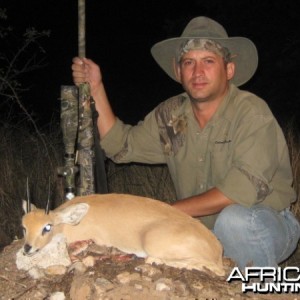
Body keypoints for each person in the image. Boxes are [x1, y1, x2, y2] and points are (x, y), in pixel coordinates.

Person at [71, 16, 300, 269]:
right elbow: (120, 146)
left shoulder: (252, 113)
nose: (197, 71)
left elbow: (240, 191)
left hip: (265, 224)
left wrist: (164, 214)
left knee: (234, 221)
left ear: (229, 70)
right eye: (189, 62)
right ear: (179, 71)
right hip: (201, 231)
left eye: (208, 61)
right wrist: (95, 87)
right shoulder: (170, 115)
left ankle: (259, 288)